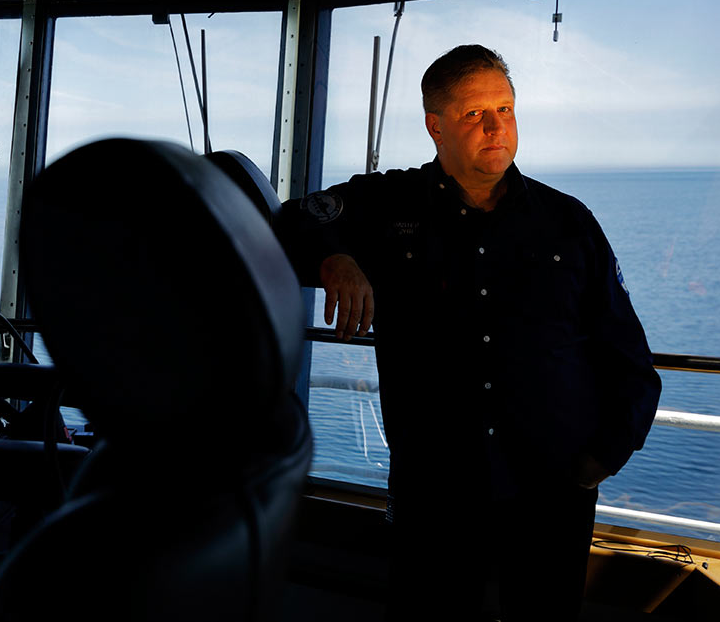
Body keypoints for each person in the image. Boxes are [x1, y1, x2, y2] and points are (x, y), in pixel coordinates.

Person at [283, 45, 660, 621]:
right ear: (436, 126)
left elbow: (628, 359)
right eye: (473, 114)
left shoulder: (569, 221)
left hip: (552, 490)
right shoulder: (386, 206)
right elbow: (294, 218)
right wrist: (336, 259)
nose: (495, 127)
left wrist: (601, 458)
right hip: (434, 490)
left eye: (505, 110)